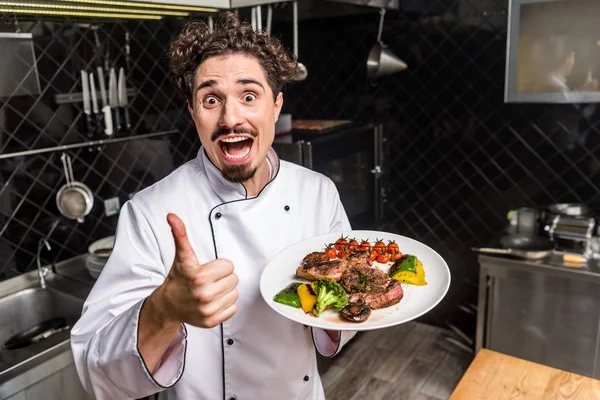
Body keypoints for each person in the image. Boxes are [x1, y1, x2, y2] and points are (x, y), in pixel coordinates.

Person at [70, 11, 356, 400]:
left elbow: (347, 318)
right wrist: (164, 309)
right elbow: (95, 371)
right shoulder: (152, 212)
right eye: (211, 99)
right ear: (193, 112)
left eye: (249, 96)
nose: (230, 118)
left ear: (276, 105)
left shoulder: (317, 193)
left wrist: (346, 291)